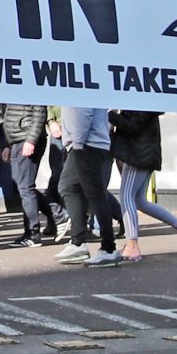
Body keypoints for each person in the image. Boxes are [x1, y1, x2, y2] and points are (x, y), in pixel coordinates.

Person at [108, 109, 177, 260]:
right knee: (139, 201)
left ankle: (132, 245)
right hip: (144, 153)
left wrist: (111, 115)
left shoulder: (142, 101)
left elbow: (134, 126)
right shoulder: (147, 100)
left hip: (137, 154)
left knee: (126, 196)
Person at [55, 106, 119, 265]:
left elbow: (84, 113)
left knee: (94, 193)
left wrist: (77, 144)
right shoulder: (77, 85)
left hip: (86, 145)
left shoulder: (79, 85)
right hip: (87, 143)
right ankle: (79, 242)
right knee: (70, 187)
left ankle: (107, 248)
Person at [0, 103, 53, 245]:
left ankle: (33, 233)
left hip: (26, 139)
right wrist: (8, 145)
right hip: (18, 140)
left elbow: (40, 113)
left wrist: (31, 140)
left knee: (25, 188)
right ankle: (56, 215)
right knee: (23, 186)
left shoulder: (30, 88)